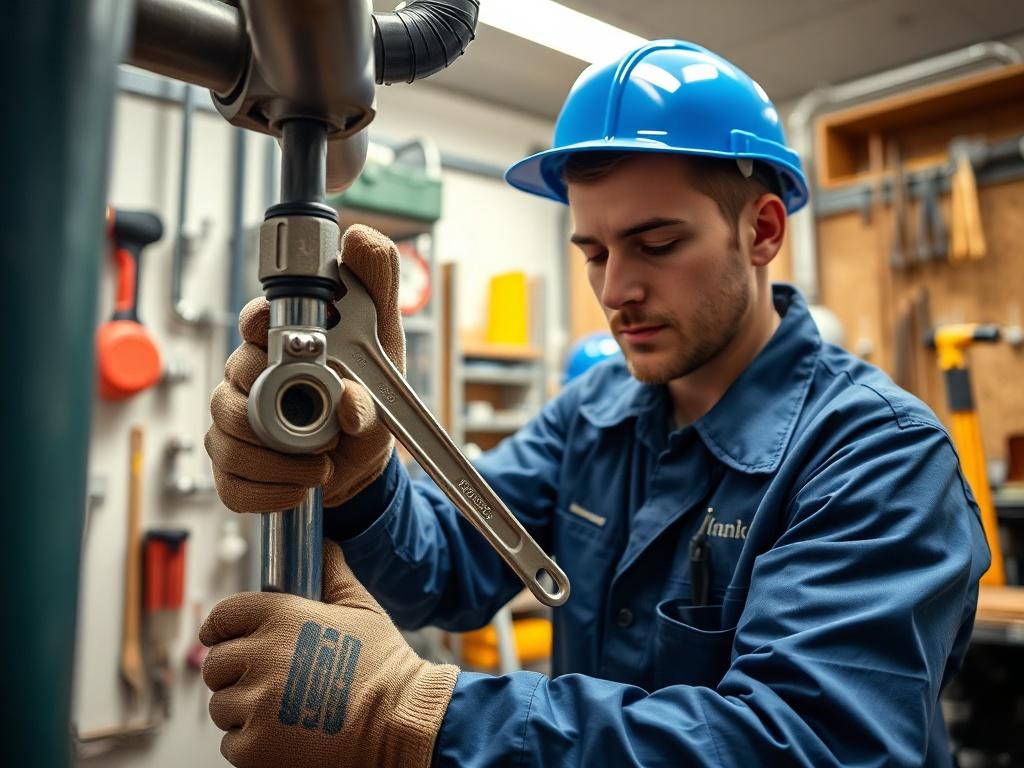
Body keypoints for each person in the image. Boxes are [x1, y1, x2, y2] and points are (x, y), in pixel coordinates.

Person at [201, 40, 989, 767]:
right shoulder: (597, 410)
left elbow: (802, 745)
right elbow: (448, 567)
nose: (616, 291)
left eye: (657, 244)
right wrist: (359, 480)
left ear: (764, 230)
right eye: (594, 252)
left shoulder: (878, 460)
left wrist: (421, 715)